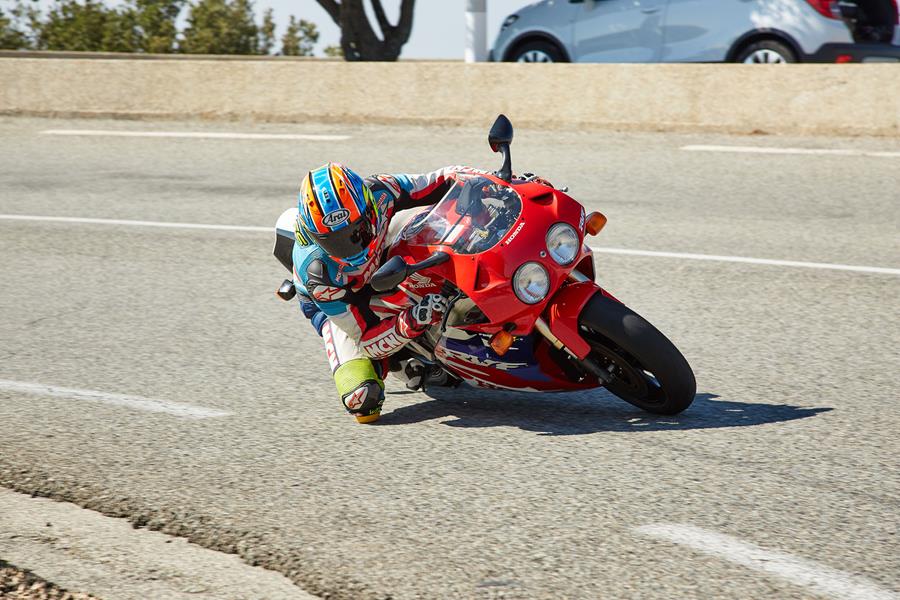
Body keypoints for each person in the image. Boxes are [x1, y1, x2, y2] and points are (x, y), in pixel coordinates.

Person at [292, 162, 471, 424]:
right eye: (335, 242)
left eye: (357, 231)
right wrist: (413, 320)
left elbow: (444, 178)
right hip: (342, 302)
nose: (350, 249)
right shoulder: (318, 272)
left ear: (370, 208)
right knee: (362, 400)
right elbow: (367, 339)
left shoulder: (381, 190)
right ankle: (402, 362)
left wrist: (503, 182)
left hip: (385, 258)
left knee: (441, 222)